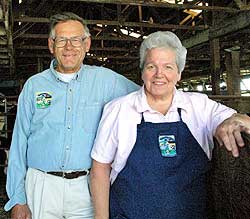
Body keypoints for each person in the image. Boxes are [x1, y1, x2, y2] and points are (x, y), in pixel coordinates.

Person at [90, 31, 250, 219]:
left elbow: (244, 123)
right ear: (142, 71)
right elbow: (100, 169)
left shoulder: (200, 106)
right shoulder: (119, 109)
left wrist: (236, 119)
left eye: (168, 67)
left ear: (179, 73)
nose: (159, 74)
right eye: (151, 66)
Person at [4, 12, 139, 219]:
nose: (69, 47)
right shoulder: (34, 86)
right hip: (41, 185)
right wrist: (17, 198)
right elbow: (19, 142)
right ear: (51, 45)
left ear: (87, 44)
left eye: (76, 40)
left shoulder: (106, 80)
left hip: (85, 187)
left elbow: (147, 96)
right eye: (62, 40)